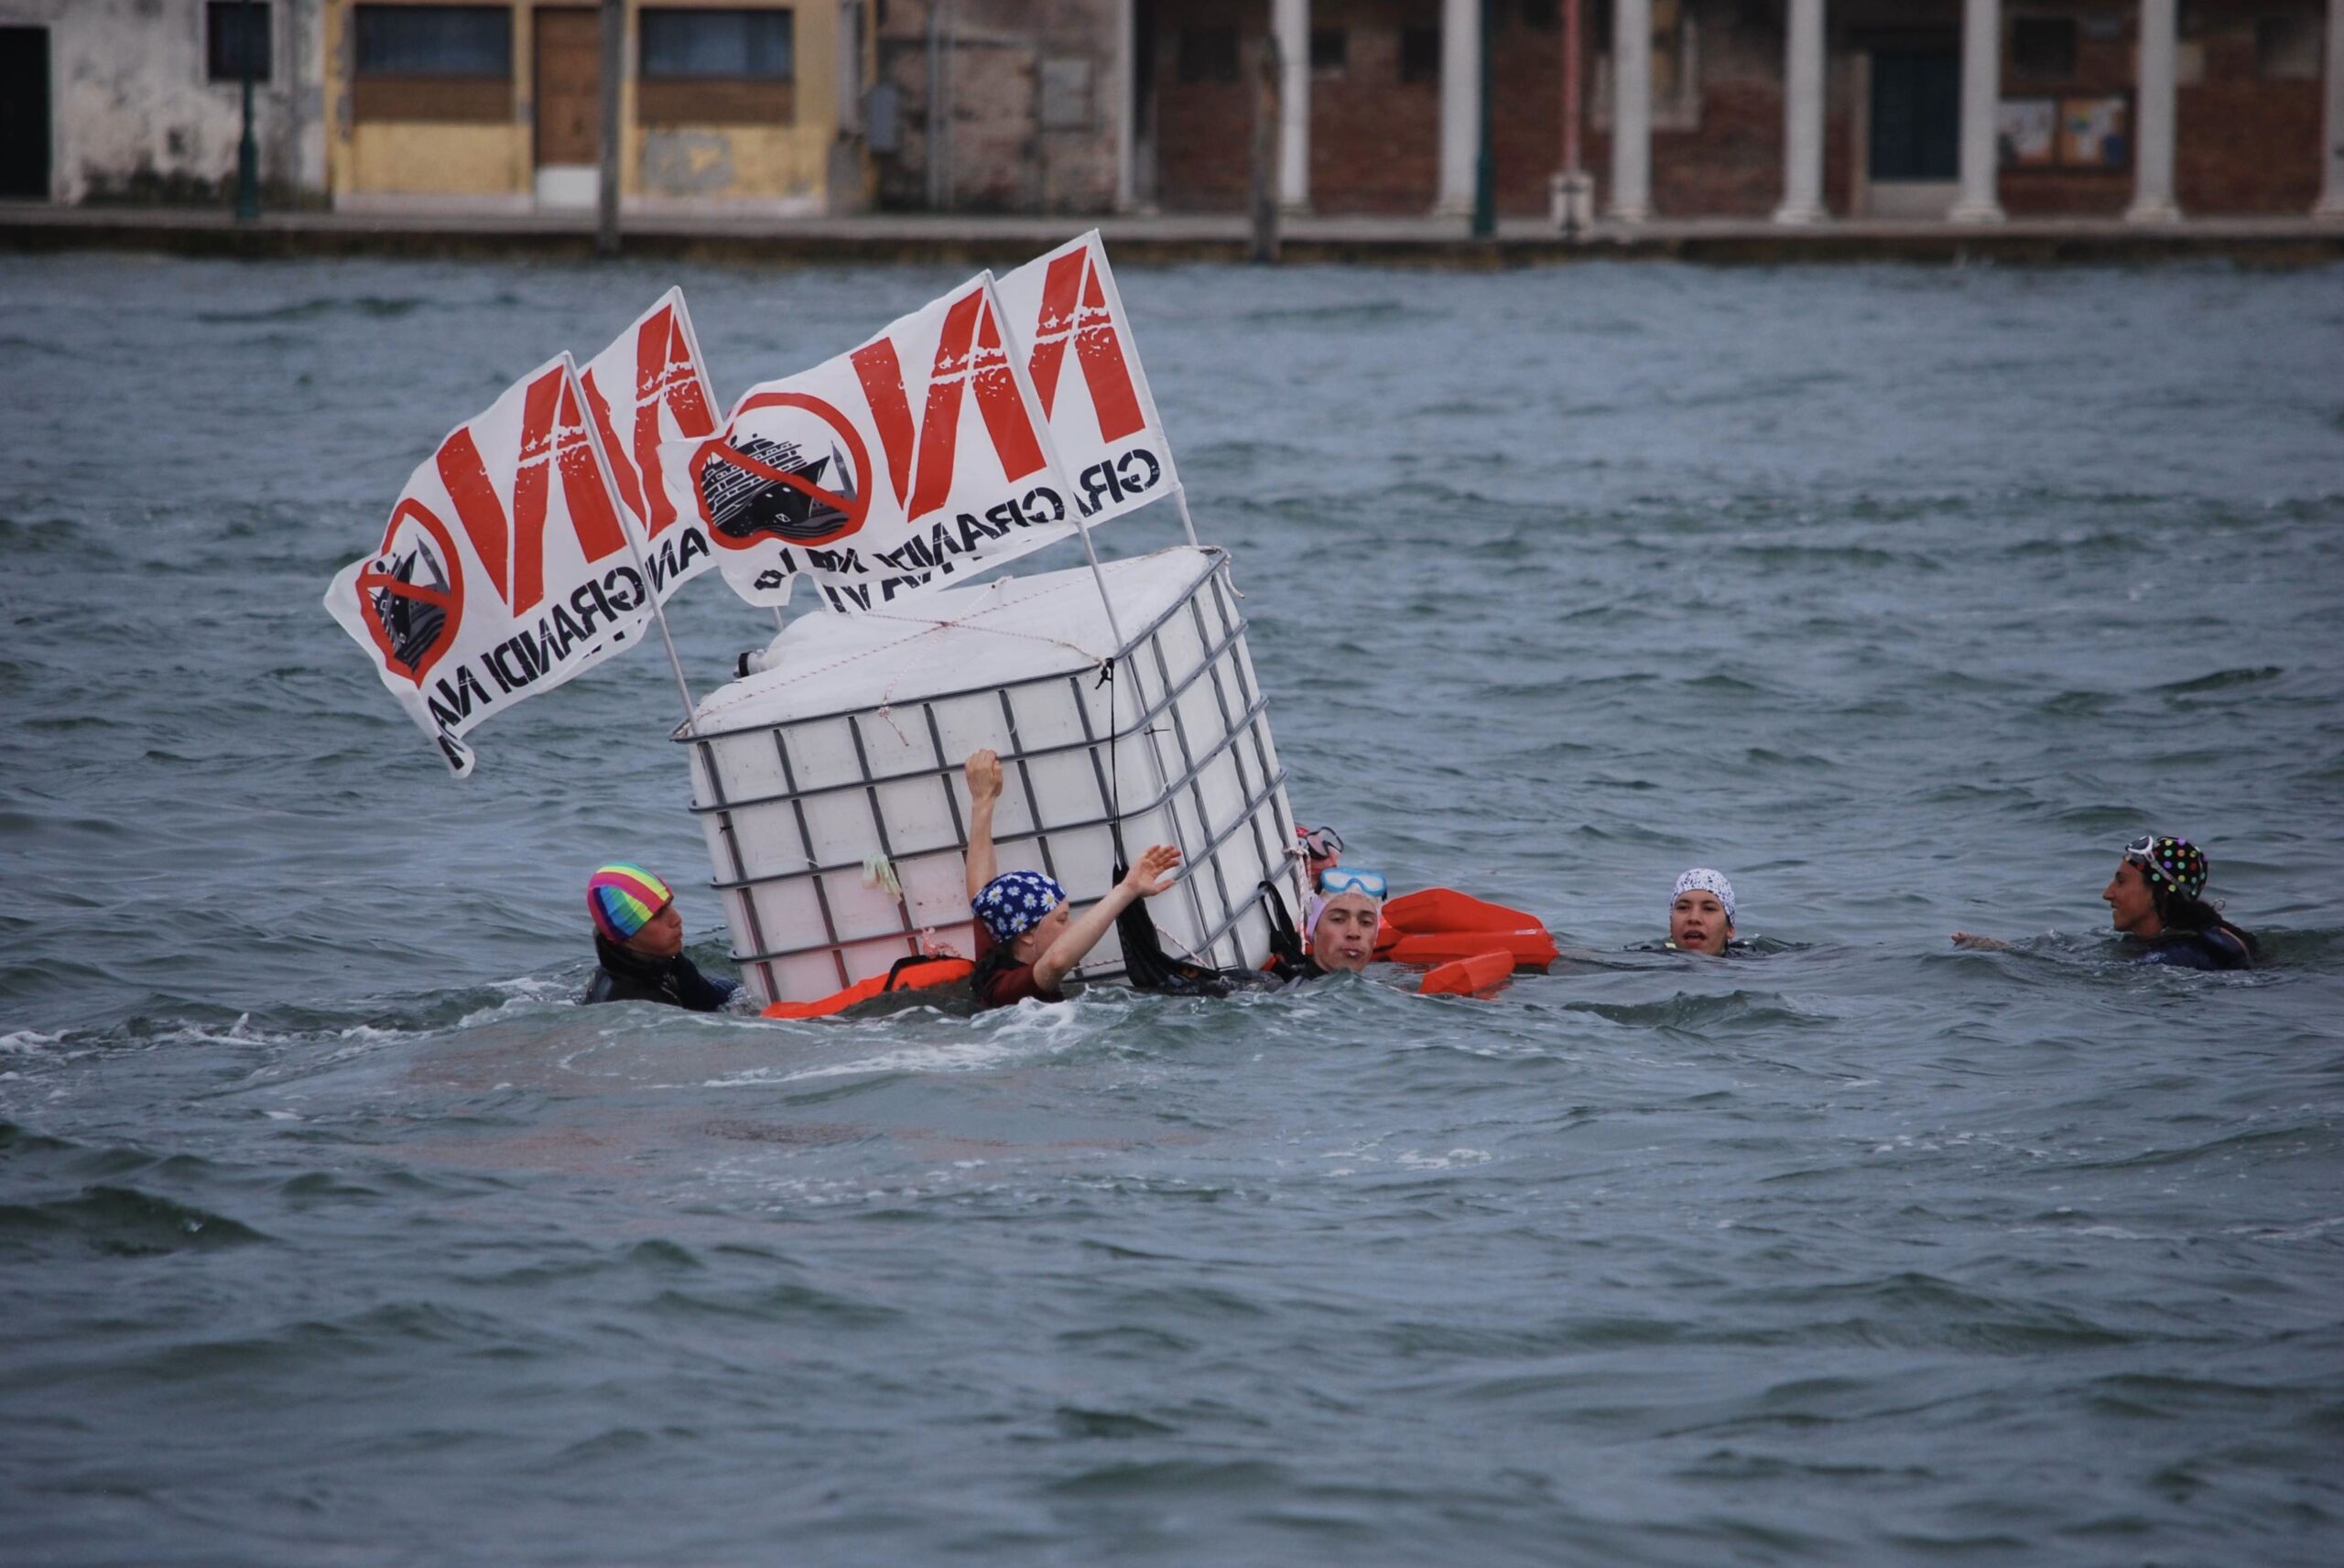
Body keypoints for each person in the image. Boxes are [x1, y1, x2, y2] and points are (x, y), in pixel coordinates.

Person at [962, 750, 1181, 1010]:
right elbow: (1057, 961)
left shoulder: (997, 949)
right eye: (1062, 919)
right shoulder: (1009, 991)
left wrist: (983, 800)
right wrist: (1127, 889)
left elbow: (982, 897)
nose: (1070, 928)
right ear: (1028, 934)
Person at [1954, 834, 2257, 970]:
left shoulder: (2178, 958)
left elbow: (2083, 975)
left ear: (2159, 895)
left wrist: (2008, 957)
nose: (2107, 893)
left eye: (2121, 882)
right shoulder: (2188, 941)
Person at [581, 863, 742, 1011]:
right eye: (658, 915)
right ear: (626, 934)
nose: (676, 919)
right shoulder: (636, 1004)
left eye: (670, 905)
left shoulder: (668, 963)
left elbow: (713, 997)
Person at [1267, 865, 1387, 979]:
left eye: (1366, 922)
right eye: (1338, 919)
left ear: (1375, 937)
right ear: (1313, 930)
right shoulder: (1284, 992)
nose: (1353, 933)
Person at [1663, 868, 1740, 956]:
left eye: (1709, 909)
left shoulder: (1752, 964)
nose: (1694, 918)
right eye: (1683, 908)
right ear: (1671, 926)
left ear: (1729, 928)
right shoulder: (1650, 960)